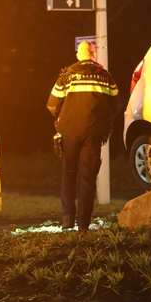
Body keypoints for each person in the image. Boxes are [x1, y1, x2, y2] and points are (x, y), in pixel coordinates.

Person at [47, 41, 121, 232]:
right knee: (88, 178)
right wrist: (102, 121)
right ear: (93, 53)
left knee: (69, 173)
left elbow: (52, 104)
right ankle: (83, 224)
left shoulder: (66, 76)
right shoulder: (105, 76)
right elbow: (116, 105)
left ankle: (67, 218)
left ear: (78, 54)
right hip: (93, 133)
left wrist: (63, 118)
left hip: (69, 132)